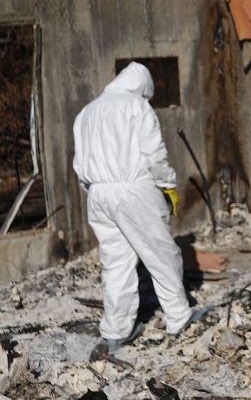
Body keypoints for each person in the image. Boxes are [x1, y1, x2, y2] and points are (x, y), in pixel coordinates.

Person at [73, 62, 198, 352]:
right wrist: (167, 184)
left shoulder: (86, 112)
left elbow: (79, 165)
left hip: (98, 193)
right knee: (161, 253)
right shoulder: (135, 106)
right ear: (142, 87)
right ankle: (179, 316)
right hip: (133, 188)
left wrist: (94, 191)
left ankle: (116, 330)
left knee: (115, 261)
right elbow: (154, 153)